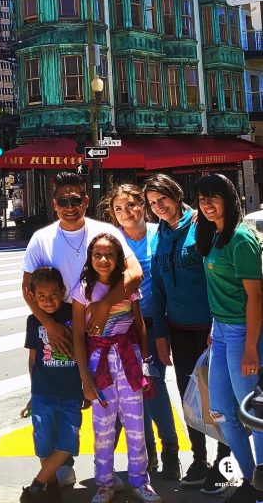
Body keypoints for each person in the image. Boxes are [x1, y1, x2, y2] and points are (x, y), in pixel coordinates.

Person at [22, 171, 143, 489]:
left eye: (76, 199)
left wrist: (104, 306)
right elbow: (27, 288)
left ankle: (114, 471)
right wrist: (48, 323)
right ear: (54, 203)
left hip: (109, 333)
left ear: (86, 200)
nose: (70, 205)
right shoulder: (42, 239)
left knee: (110, 404)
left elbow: (135, 272)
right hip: (63, 331)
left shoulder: (104, 231)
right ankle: (59, 466)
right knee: (64, 397)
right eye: (63, 200)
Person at [145, 173, 229, 492]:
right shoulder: (160, 235)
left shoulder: (200, 225)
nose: (158, 207)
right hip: (178, 331)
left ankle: (222, 460)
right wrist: (162, 336)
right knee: (189, 398)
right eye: (152, 203)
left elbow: (218, 277)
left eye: (162, 199)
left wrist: (218, 324)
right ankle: (199, 457)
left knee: (217, 398)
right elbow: (160, 291)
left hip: (210, 329)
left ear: (176, 194)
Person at [72, 233, 160, 503]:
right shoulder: (83, 289)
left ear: (118, 258)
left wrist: (145, 363)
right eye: (97, 254)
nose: (103, 259)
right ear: (89, 258)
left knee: (135, 422)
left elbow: (139, 324)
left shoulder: (127, 287)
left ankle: (140, 481)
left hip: (128, 358)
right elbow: (77, 335)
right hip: (99, 362)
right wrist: (85, 379)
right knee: (103, 426)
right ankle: (104, 482)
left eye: (109, 254)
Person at [196, 173, 263, 503]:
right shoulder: (214, 235)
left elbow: (256, 297)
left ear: (229, 198)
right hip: (220, 332)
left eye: (214, 197)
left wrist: (251, 347)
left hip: (241, 334)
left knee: (254, 412)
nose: (207, 204)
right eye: (202, 198)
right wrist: (213, 329)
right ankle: (252, 478)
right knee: (222, 410)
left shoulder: (240, 239)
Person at [105, 183, 180, 480]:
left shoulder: (158, 232)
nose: (126, 213)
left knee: (155, 386)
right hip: (124, 326)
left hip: (156, 323)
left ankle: (170, 450)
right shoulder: (112, 241)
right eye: (119, 209)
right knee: (134, 393)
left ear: (143, 205)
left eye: (132, 206)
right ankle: (148, 456)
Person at [20, 267, 83, 502]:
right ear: (34, 298)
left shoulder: (73, 314)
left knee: (68, 442)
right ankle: (51, 484)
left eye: (54, 294)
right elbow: (33, 358)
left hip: (71, 393)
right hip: (43, 393)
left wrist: (85, 385)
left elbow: (82, 352)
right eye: (42, 297)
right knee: (44, 443)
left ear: (63, 291)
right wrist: (32, 391)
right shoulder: (32, 320)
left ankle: (37, 484)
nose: (48, 301)